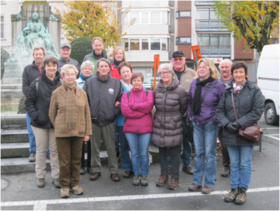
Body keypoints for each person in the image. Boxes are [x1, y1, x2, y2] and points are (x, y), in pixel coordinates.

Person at [216, 62, 264, 205]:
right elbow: (219, 110)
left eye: (241, 72)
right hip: (230, 132)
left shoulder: (254, 90)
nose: (238, 75)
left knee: (245, 163)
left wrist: (239, 124)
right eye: (236, 72)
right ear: (233, 74)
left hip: (245, 132)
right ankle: (234, 188)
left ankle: (242, 190)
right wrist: (226, 124)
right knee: (234, 163)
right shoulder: (227, 90)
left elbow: (257, 111)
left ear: (246, 74)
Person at [49, 64, 92, 198]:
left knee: (76, 160)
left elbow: (87, 113)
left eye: (72, 74)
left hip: (79, 131)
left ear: (76, 76)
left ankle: (75, 184)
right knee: (64, 161)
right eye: (67, 74)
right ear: (62, 76)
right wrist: (59, 126)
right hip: (62, 132)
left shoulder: (82, 93)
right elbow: (52, 113)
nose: (70, 77)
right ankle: (64, 186)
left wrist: (87, 132)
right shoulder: (57, 93)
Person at [187, 58, 225, 194]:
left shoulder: (218, 85)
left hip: (210, 123)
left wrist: (215, 118)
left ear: (211, 69)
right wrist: (190, 113)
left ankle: (208, 183)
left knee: (210, 154)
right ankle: (196, 181)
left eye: (204, 67)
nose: (201, 69)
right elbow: (190, 100)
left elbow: (223, 104)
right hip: (197, 122)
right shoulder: (194, 83)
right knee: (198, 154)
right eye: (199, 67)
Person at [83, 58, 123, 182]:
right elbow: (83, 100)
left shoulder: (116, 83)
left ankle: (114, 171)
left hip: (109, 121)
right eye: (101, 66)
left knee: (111, 147)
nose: (104, 68)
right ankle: (96, 170)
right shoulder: (89, 82)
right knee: (94, 147)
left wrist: (114, 113)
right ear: (98, 68)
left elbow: (122, 100)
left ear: (109, 68)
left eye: (106, 66)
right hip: (93, 121)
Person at [25, 56, 61, 189]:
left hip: (56, 123)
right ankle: (40, 176)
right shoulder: (36, 82)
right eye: (49, 65)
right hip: (39, 123)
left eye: (54, 65)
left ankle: (56, 176)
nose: (51, 68)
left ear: (57, 67)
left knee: (54, 150)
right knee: (40, 150)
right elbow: (28, 103)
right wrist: (36, 115)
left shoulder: (61, 83)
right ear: (44, 67)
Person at [152, 63, 188, 190]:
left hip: (173, 124)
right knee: (161, 151)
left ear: (172, 74)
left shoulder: (180, 90)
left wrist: (173, 118)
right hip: (159, 124)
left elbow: (184, 108)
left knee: (174, 152)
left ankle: (175, 177)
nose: (165, 74)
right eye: (162, 72)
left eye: (167, 72)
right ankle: (163, 175)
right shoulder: (157, 89)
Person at [121, 72, 154, 186]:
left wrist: (134, 106)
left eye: (138, 80)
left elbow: (149, 106)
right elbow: (125, 111)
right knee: (134, 153)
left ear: (142, 81)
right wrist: (141, 113)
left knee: (144, 153)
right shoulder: (126, 95)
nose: (136, 82)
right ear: (131, 82)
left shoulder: (149, 93)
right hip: (130, 129)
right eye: (134, 80)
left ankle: (144, 175)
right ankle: (136, 174)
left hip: (146, 129)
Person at [171, 51, 196, 175]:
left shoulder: (192, 73)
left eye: (180, 59)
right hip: (172, 114)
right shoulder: (167, 73)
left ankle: (186, 164)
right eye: (175, 59)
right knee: (171, 141)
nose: (178, 61)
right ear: (172, 61)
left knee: (187, 141)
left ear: (184, 60)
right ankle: (170, 165)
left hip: (187, 114)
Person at [22, 46, 47, 162]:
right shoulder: (27, 69)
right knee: (31, 129)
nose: (38, 56)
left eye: (40, 54)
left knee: (46, 128)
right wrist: (34, 97)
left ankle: (47, 152)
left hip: (44, 105)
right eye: (36, 54)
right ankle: (33, 151)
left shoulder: (48, 69)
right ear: (33, 56)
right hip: (31, 104)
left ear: (44, 55)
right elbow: (25, 88)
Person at [75, 61, 94, 175]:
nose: (87, 70)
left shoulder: (95, 82)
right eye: (85, 68)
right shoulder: (76, 83)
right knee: (80, 143)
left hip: (92, 116)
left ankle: (90, 165)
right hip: (79, 116)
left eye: (90, 69)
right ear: (81, 70)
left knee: (92, 143)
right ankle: (81, 165)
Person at [115, 62, 133, 178]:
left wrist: (122, 104)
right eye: (123, 72)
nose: (125, 74)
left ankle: (136, 167)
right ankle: (126, 167)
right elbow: (114, 103)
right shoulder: (116, 86)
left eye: (127, 71)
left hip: (135, 121)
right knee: (124, 145)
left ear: (131, 72)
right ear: (120, 74)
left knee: (135, 146)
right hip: (121, 121)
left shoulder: (137, 84)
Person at [219, 59, 234, 177]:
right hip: (220, 119)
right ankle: (226, 166)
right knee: (224, 145)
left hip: (234, 119)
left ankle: (235, 166)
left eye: (226, 67)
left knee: (234, 143)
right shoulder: (216, 82)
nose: (224, 69)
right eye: (222, 67)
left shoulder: (236, 81)